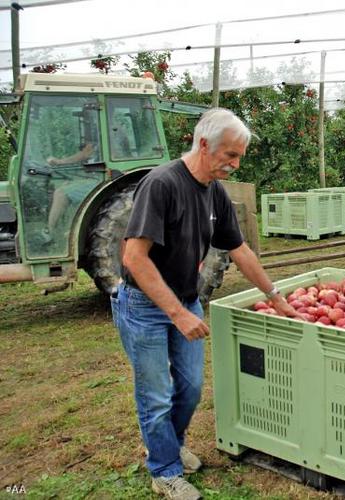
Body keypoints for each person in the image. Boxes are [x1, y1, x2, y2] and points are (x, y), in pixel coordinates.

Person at [111, 108, 296, 500]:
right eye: (230, 155)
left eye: (239, 156)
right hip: (145, 306)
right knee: (156, 393)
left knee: (191, 388)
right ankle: (163, 470)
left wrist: (275, 297)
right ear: (204, 144)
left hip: (186, 301)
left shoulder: (215, 193)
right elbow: (133, 258)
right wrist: (176, 314)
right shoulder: (160, 185)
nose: (235, 164)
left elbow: (240, 250)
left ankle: (169, 445)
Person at [42, 143, 97, 242]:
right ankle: (70, 228)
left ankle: (50, 232)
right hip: (96, 179)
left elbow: (83, 154)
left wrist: (59, 161)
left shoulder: (98, 141)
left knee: (61, 193)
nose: (84, 144)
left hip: (98, 181)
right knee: (65, 186)